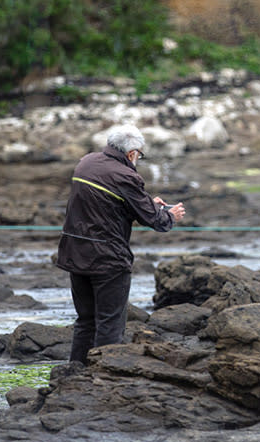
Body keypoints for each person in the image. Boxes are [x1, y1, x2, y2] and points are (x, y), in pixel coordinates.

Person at [56, 123, 185, 364]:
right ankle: (105, 380)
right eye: (140, 155)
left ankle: (73, 375)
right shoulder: (127, 175)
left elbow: (108, 204)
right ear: (132, 153)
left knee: (85, 321)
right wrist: (171, 215)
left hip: (74, 253)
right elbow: (155, 221)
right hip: (108, 259)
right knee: (109, 325)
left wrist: (146, 203)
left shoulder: (86, 162)